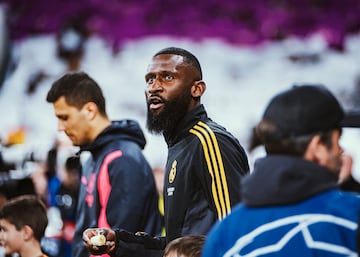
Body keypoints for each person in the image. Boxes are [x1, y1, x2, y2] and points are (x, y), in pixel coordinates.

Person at [83, 47, 249, 256]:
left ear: (197, 89)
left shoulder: (209, 141)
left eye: (167, 77)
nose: (154, 87)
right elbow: (176, 245)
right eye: (150, 79)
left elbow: (237, 237)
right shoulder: (179, 145)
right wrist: (120, 243)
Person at [201, 84, 360, 256]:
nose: (341, 150)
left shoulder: (224, 234)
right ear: (317, 146)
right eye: (338, 141)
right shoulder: (351, 216)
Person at [46, 71, 162, 257]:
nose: (60, 127)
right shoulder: (93, 157)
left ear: (90, 111)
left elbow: (113, 245)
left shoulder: (122, 159)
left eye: (64, 117)